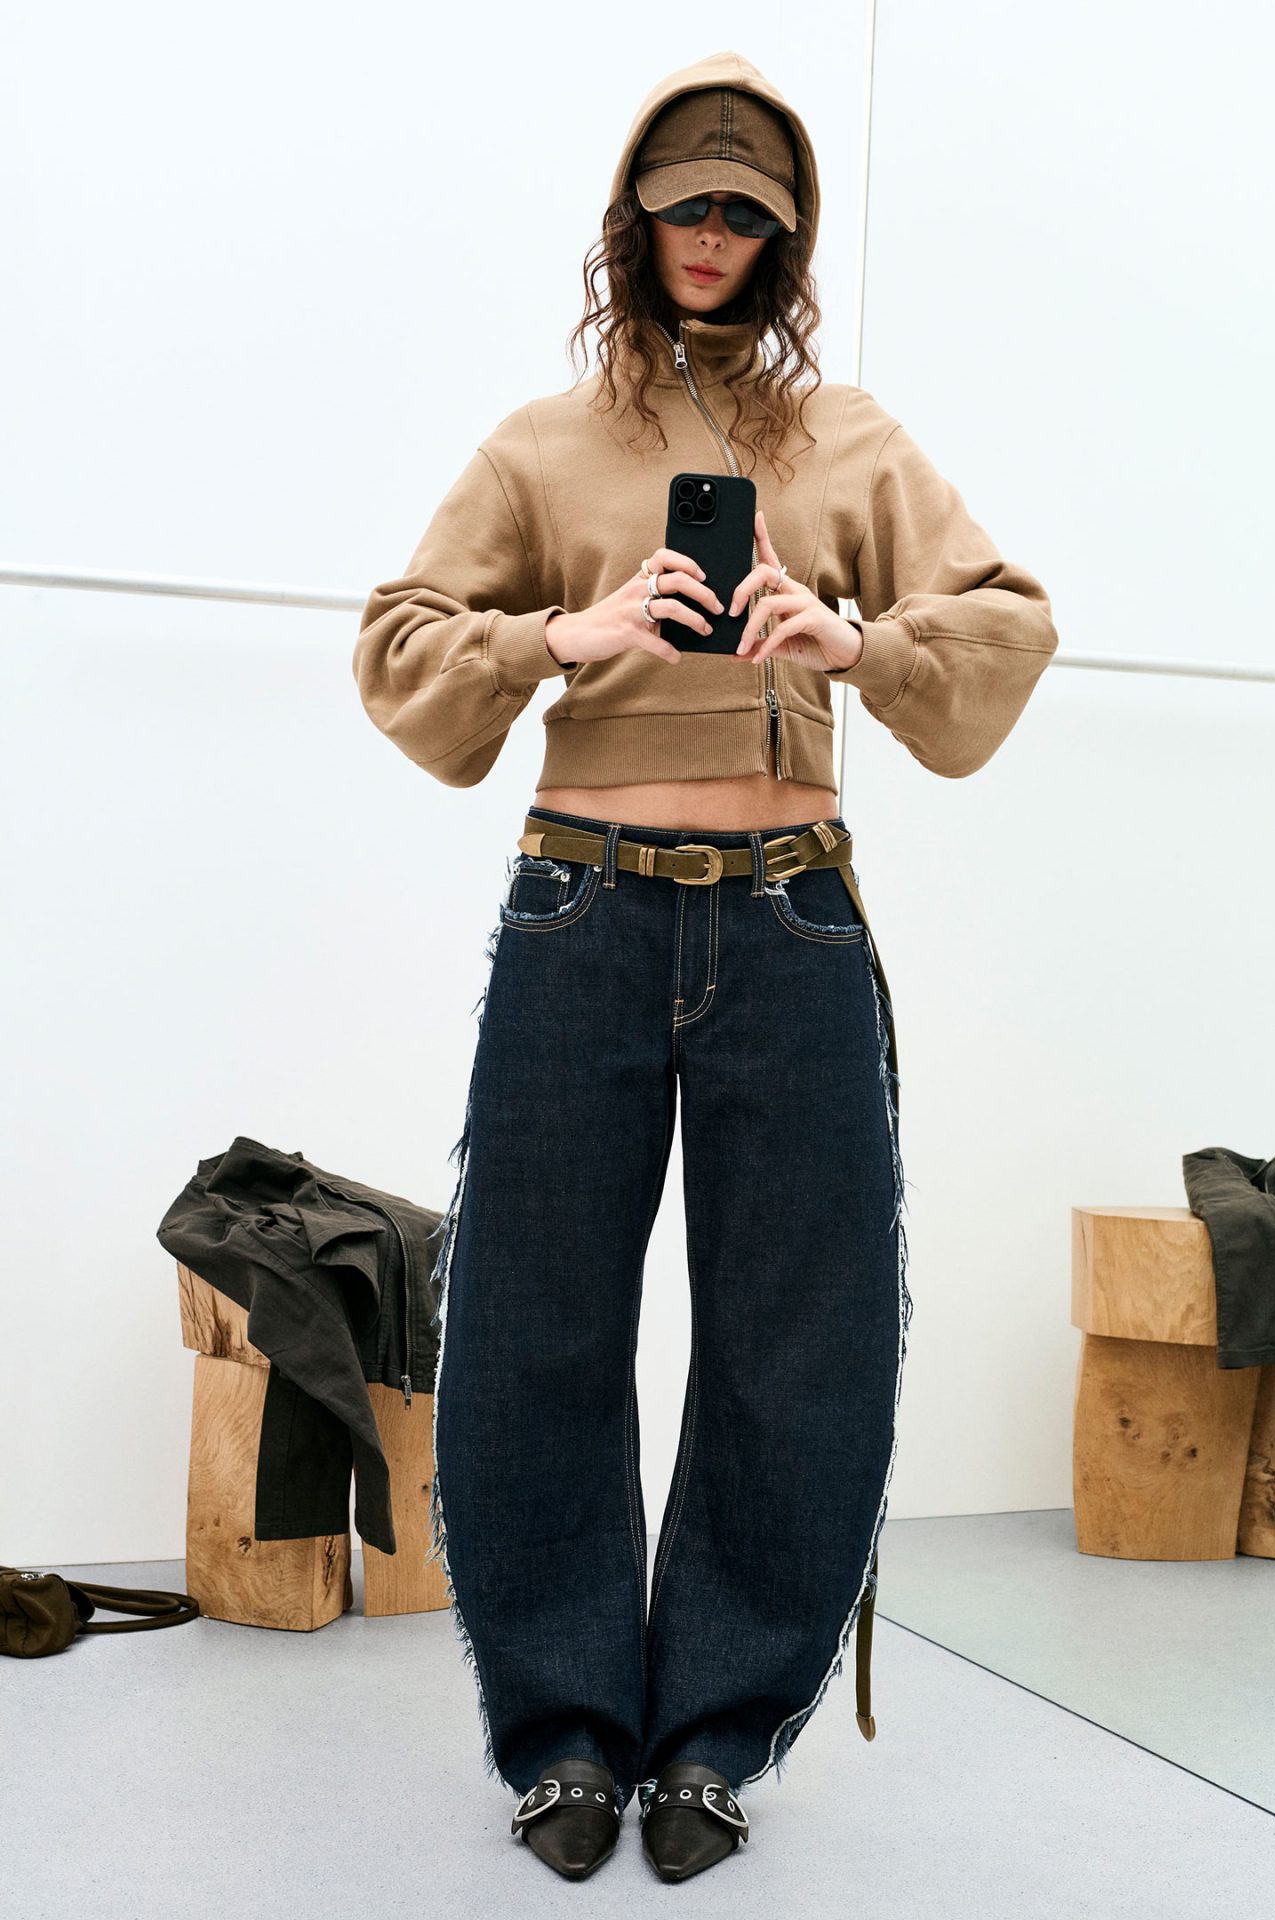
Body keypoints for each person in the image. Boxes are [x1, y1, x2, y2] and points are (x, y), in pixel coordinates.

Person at [353, 49, 1058, 1884]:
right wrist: (558, 632)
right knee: (536, 1334)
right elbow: (401, 644)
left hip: (792, 914)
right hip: (580, 907)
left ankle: (717, 1740)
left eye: (750, 210)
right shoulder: (541, 441)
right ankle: (568, 1734)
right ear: (633, 212)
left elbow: (1006, 622)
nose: (715, 237)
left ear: (789, 232)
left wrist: (857, 637)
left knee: (795, 1346)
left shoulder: (850, 439)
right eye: (687, 204)